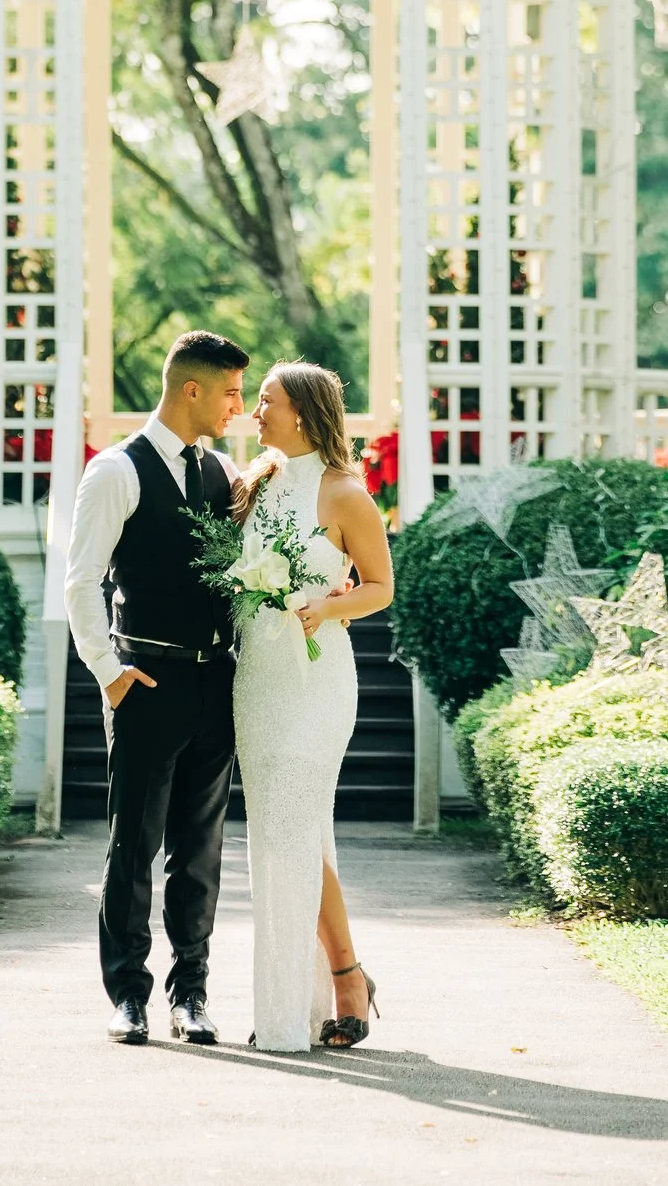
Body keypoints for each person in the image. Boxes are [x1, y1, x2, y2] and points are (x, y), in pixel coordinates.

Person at [63, 329, 249, 1046]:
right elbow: (81, 582)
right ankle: (128, 995)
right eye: (231, 391)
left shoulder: (221, 471)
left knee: (200, 851)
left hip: (215, 681)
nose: (238, 404)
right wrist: (110, 675)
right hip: (145, 679)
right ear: (191, 389)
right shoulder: (116, 470)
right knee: (132, 846)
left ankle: (191, 995)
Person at [232, 360, 395, 1053]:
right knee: (283, 831)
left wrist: (328, 605)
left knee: (291, 828)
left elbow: (381, 587)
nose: (255, 411)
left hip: (317, 680)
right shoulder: (253, 482)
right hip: (258, 677)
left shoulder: (344, 493)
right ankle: (342, 979)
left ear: (302, 410)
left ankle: (303, 1001)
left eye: (265, 401)